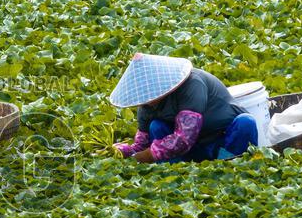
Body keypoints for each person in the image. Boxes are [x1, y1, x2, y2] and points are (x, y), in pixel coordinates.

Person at [110, 53, 258, 163]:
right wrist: (126, 151)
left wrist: (150, 155)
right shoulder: (146, 107)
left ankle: (228, 163)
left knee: (246, 122)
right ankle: (175, 171)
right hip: (193, 150)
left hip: (222, 139)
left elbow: (185, 138)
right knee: (156, 126)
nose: (149, 99)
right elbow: (141, 144)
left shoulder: (192, 85)